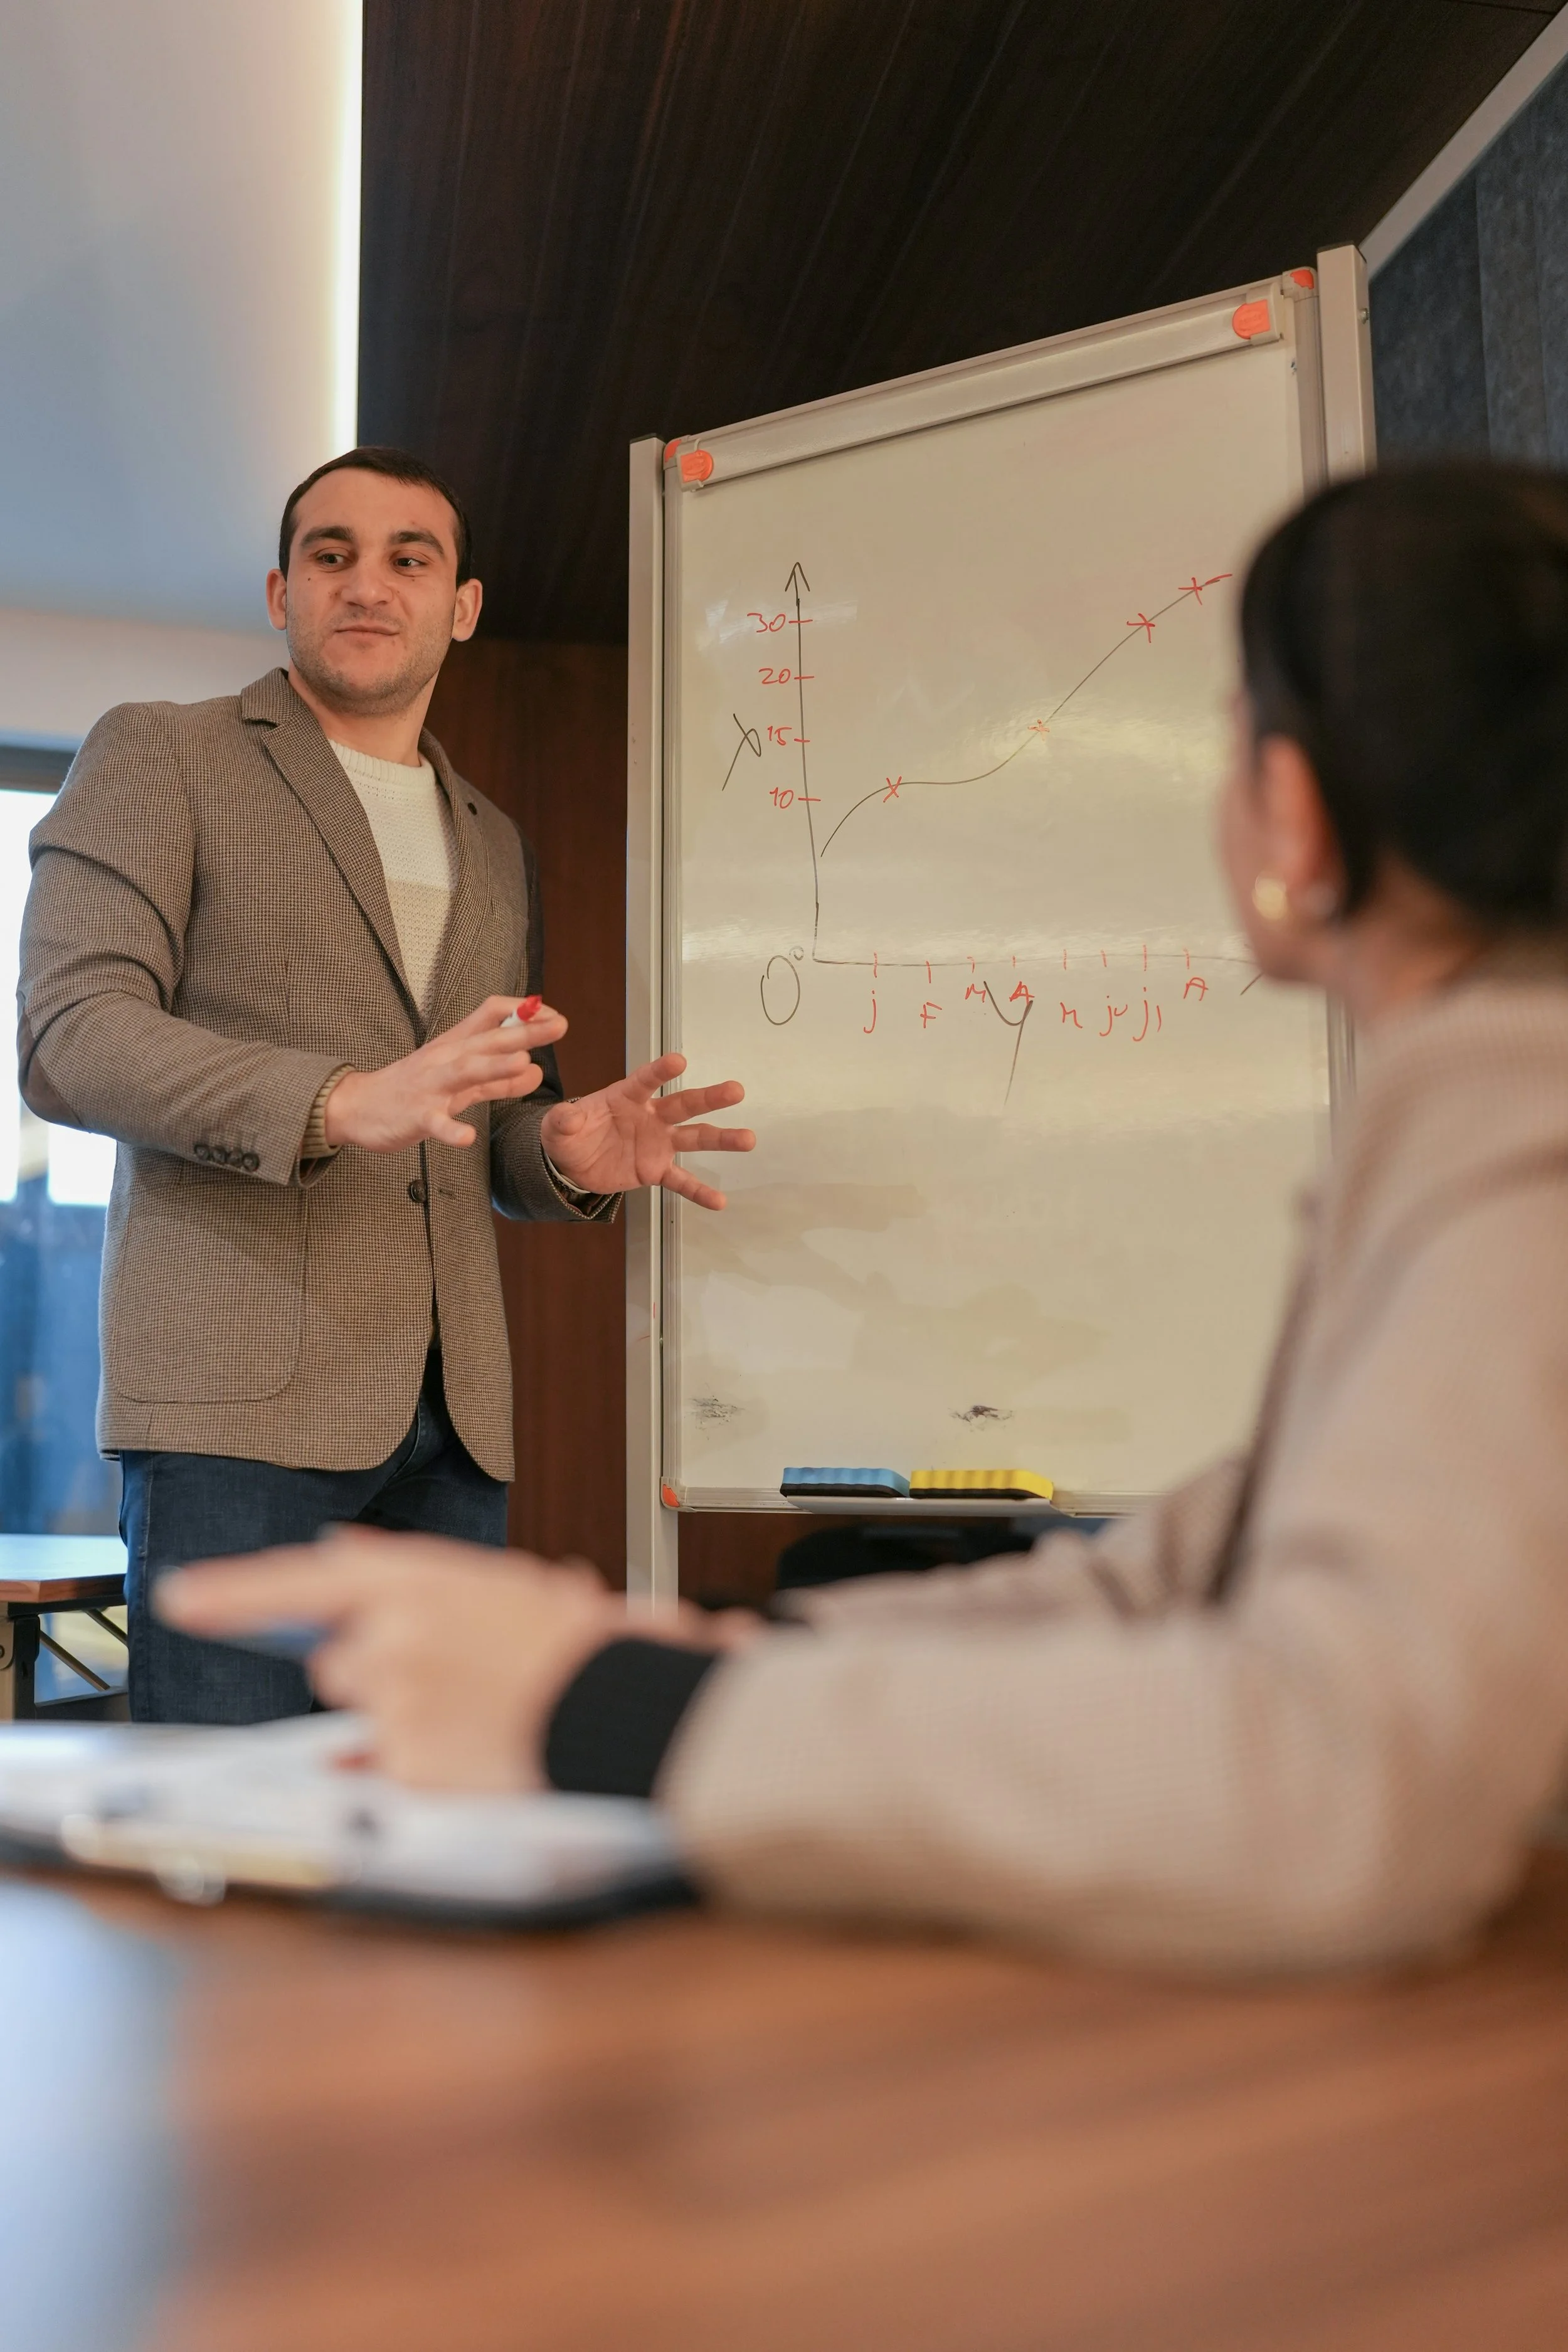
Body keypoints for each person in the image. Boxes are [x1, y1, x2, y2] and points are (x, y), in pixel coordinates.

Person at [159, 462, 1568, 1973]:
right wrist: (703, 1654)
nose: (369, 584)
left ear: (1288, 814)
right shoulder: (1461, 1121)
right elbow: (1172, 1579)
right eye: (331, 553)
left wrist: (612, 1704)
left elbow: (1334, 1785)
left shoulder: (1512, 1147)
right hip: (252, 1387)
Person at [16, 445, 753, 1725]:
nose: (369, 584)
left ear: (459, 605)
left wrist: (564, 1152)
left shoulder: (493, 838)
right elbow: (69, 1037)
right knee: (234, 1846)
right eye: (331, 554)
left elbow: (476, 1121)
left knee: (425, 1826)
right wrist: (333, 1100)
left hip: (453, 1422)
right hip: (234, 1408)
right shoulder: (163, 755)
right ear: (278, 592)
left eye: (409, 558)